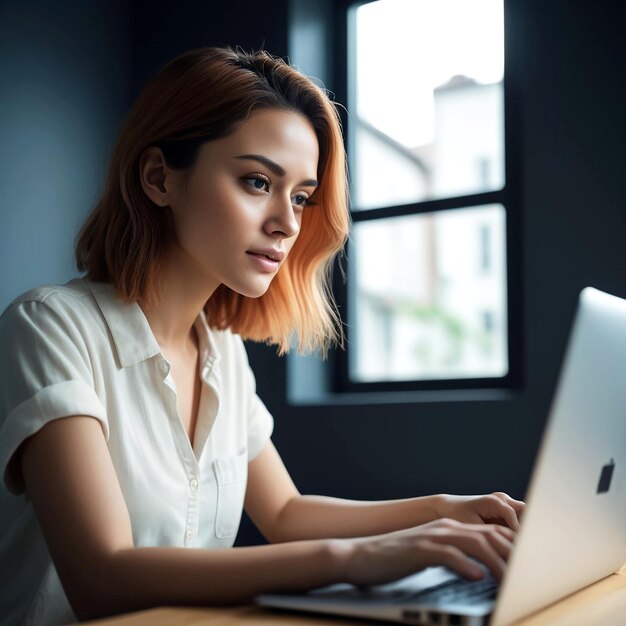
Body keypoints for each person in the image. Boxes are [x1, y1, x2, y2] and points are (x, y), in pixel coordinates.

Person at [0, 47, 524, 625]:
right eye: (257, 181)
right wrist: (354, 559)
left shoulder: (221, 348)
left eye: (300, 196)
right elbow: (104, 577)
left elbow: (287, 511)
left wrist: (446, 512)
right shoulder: (48, 327)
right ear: (158, 179)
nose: (289, 223)